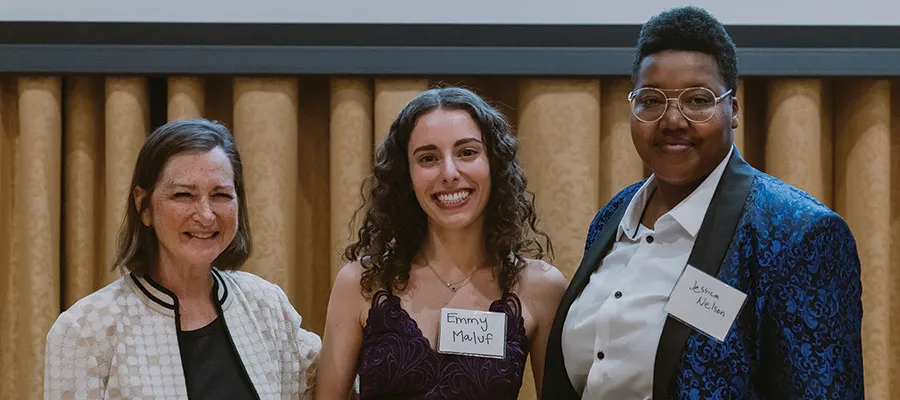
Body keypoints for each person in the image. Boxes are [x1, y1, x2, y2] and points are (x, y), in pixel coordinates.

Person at [542, 6, 864, 400]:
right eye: (650, 100)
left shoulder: (799, 233)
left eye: (697, 100)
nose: (672, 120)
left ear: (734, 110)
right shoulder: (614, 215)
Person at [317, 87, 568, 399]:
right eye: (428, 158)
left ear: (494, 164)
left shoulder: (541, 287)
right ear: (406, 175)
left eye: (467, 153)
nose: (449, 173)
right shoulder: (360, 283)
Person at [44, 119, 321, 399]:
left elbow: (340, 384)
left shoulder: (266, 305)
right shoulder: (86, 330)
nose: (206, 215)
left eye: (221, 194)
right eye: (183, 195)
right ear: (144, 206)